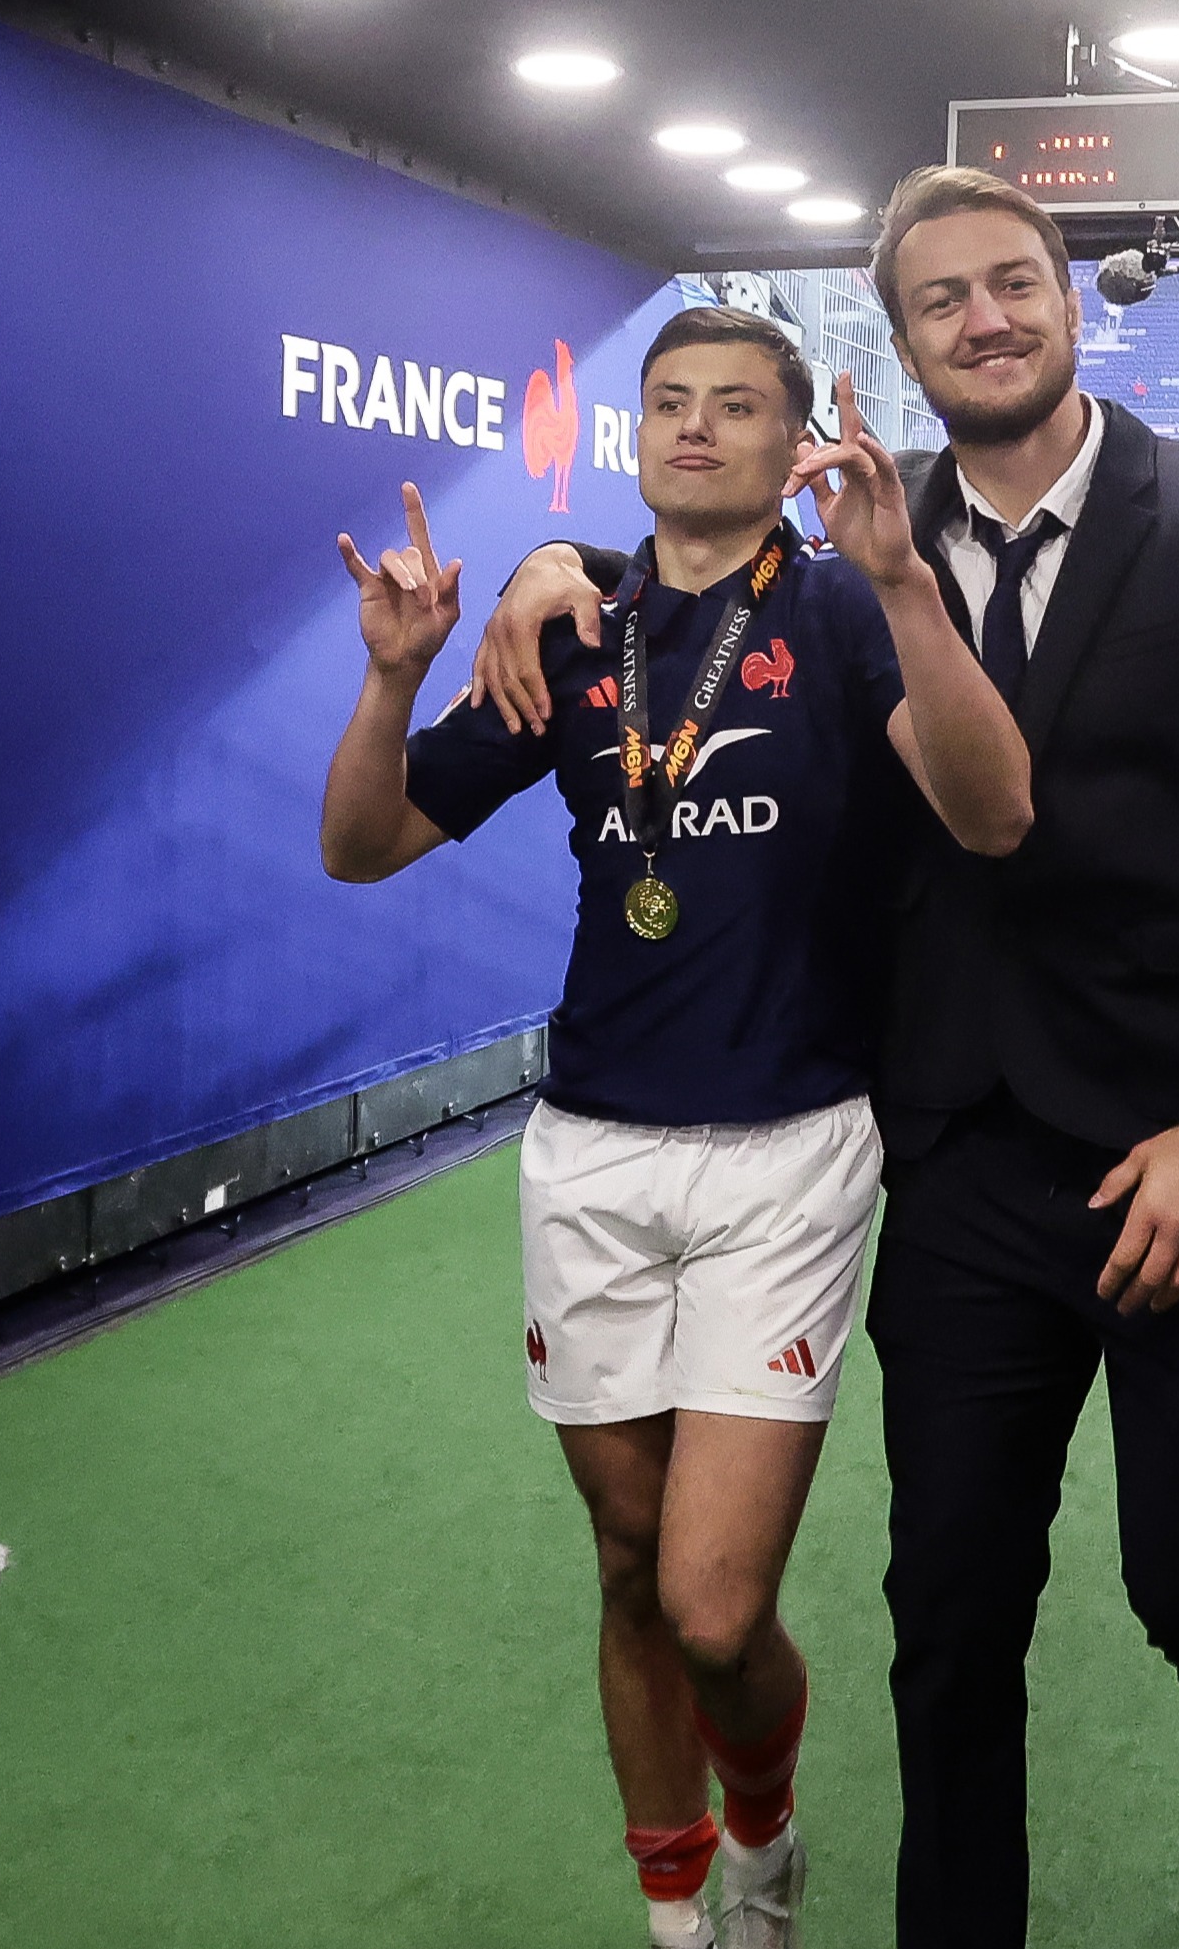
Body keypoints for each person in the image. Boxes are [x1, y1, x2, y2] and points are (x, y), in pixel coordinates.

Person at [469, 164, 1179, 1949]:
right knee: (949, 1610)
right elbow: (673, 567)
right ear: (897, 352)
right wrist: (545, 562)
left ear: (1065, 300)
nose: (980, 319)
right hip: (962, 1164)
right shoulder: (833, 574)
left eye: (1008, 283)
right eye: (937, 303)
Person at [319, 305, 1033, 1949]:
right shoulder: (564, 629)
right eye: (666, 404)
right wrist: (393, 677)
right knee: (626, 1564)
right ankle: (681, 1912)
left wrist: (909, 581)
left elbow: (992, 815)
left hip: (789, 1143)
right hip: (588, 1150)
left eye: (733, 408)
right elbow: (364, 844)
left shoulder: (851, 612)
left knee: (715, 1607)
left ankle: (762, 1829)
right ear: (633, 436)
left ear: (795, 448)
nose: (692, 428)